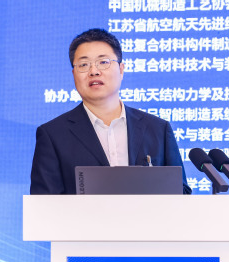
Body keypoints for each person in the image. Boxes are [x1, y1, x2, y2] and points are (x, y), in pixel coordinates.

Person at [30, 28, 191, 194]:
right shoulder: (53, 135)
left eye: (103, 62)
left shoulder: (158, 129)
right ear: (73, 74)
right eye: (84, 65)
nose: (94, 71)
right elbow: (43, 202)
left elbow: (181, 191)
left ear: (121, 69)